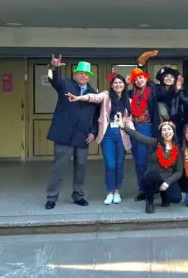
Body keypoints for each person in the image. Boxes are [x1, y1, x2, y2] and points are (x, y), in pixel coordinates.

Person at [43, 56, 99, 210]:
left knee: (81, 169)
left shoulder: (93, 93)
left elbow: (96, 116)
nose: (83, 76)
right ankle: (52, 197)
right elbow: (53, 79)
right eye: (81, 73)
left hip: (83, 136)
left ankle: (78, 195)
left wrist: (93, 132)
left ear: (89, 77)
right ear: (75, 74)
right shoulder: (65, 85)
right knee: (59, 168)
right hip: (64, 134)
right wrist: (54, 68)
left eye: (86, 74)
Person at [66, 73, 131, 205]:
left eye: (120, 83)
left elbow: (129, 119)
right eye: (115, 83)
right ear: (111, 85)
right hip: (107, 134)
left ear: (124, 85)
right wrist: (78, 97)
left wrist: (132, 132)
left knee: (119, 165)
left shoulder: (128, 101)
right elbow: (93, 97)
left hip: (122, 134)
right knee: (110, 165)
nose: (118, 85)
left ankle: (117, 192)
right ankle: (110, 192)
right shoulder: (106, 96)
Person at [121, 117, 183, 214]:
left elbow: (179, 171)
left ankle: (164, 196)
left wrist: (168, 182)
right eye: (164, 130)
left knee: (176, 198)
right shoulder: (155, 143)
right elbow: (138, 136)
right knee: (150, 177)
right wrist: (123, 127)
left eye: (169, 129)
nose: (167, 132)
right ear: (161, 134)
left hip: (167, 179)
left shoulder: (177, 150)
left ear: (173, 132)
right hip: (154, 177)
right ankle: (149, 202)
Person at [126, 52, 160, 202]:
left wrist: (141, 64)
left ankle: (153, 187)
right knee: (139, 161)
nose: (139, 80)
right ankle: (142, 189)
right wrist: (126, 83)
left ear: (146, 78)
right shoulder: (130, 93)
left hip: (149, 128)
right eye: (136, 79)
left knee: (150, 160)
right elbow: (118, 95)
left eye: (141, 77)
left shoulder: (152, 91)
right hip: (135, 129)